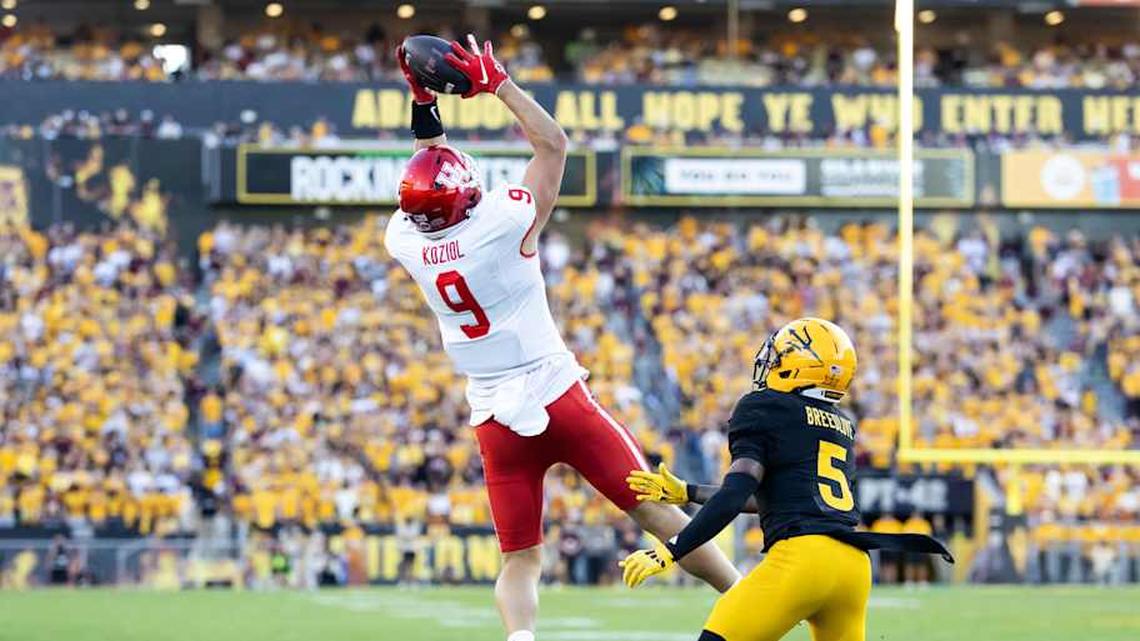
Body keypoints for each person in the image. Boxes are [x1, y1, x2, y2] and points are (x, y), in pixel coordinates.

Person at [384, 35, 740, 641]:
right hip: (556, 395)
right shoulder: (501, 223)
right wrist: (500, 85)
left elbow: (429, 169)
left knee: (520, 560)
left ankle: (521, 639)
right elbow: (553, 144)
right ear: (467, 196)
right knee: (659, 513)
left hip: (493, 414)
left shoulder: (404, 240)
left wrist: (424, 100)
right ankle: (747, 596)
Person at [621, 318, 953, 641]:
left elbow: (738, 491)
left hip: (803, 561)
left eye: (778, 357)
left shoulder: (764, 406)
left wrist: (672, 549)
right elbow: (780, 497)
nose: (771, 364)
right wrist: (689, 492)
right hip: (853, 567)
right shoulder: (841, 423)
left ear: (799, 365)